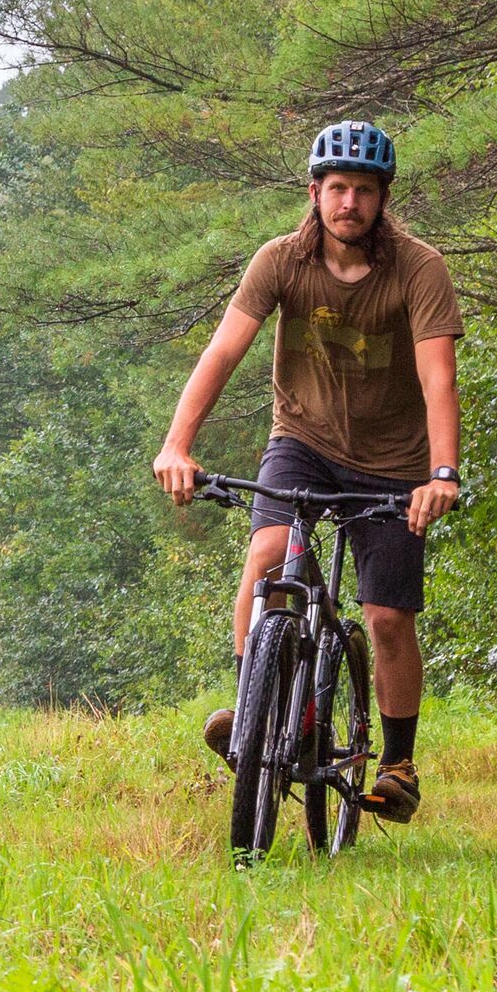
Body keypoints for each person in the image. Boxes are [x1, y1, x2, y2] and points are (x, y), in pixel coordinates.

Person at [152, 120, 465, 820]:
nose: (349, 202)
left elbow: (438, 376)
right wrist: (177, 444)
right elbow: (223, 351)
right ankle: (253, 712)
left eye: (364, 190)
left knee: (387, 617)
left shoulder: (418, 268)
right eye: (337, 188)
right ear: (314, 192)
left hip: (395, 460)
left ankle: (398, 762)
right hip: (303, 440)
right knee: (267, 555)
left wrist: (442, 472)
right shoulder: (281, 261)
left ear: (383, 198)